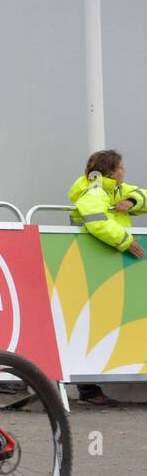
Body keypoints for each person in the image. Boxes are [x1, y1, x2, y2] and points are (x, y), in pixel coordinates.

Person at [67, 149, 145, 404]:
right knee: (92, 324)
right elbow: (96, 222)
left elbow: (144, 194)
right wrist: (127, 241)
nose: (125, 170)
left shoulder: (112, 189)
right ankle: (88, 390)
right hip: (97, 264)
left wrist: (132, 202)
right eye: (121, 167)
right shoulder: (95, 191)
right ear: (111, 170)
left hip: (111, 265)